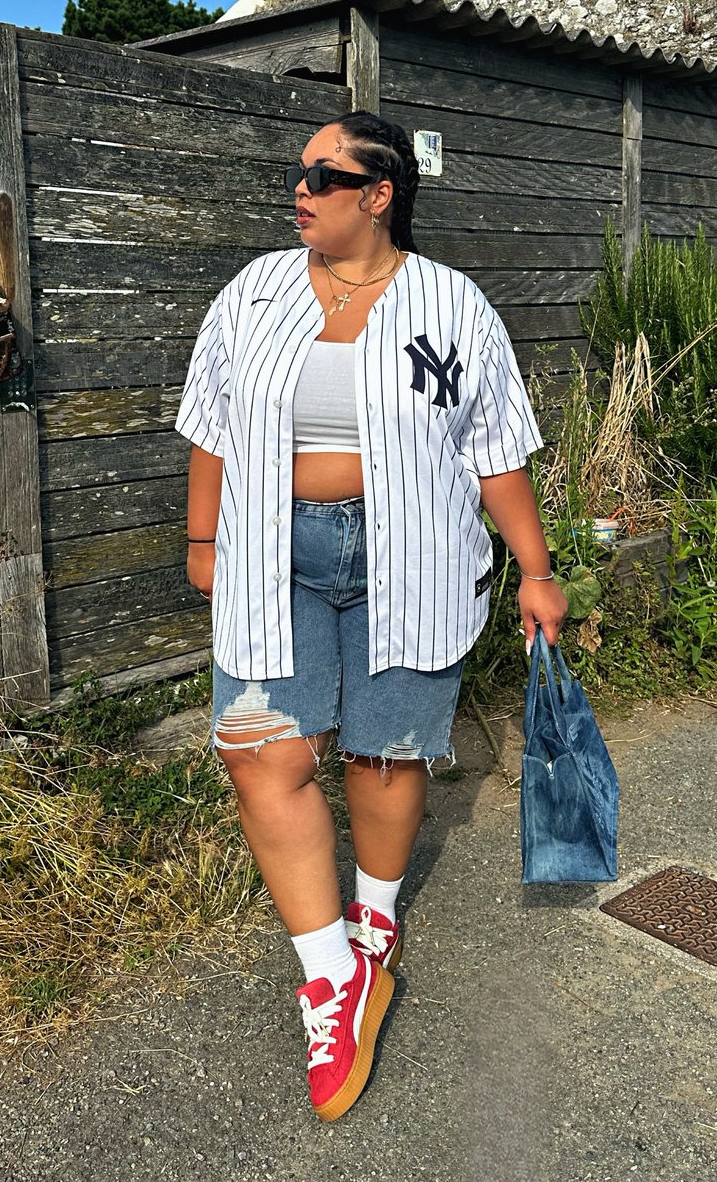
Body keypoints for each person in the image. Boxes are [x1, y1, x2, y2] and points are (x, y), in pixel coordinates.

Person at [176, 111, 568, 1122]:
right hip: (274, 553)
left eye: (321, 172)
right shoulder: (253, 293)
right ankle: (330, 975)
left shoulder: (452, 304)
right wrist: (200, 538)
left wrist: (535, 568)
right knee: (262, 746)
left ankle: (375, 922)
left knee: (385, 752)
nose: (298, 186)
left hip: (417, 552)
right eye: (297, 172)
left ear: (379, 191)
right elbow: (211, 425)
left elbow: (495, 448)